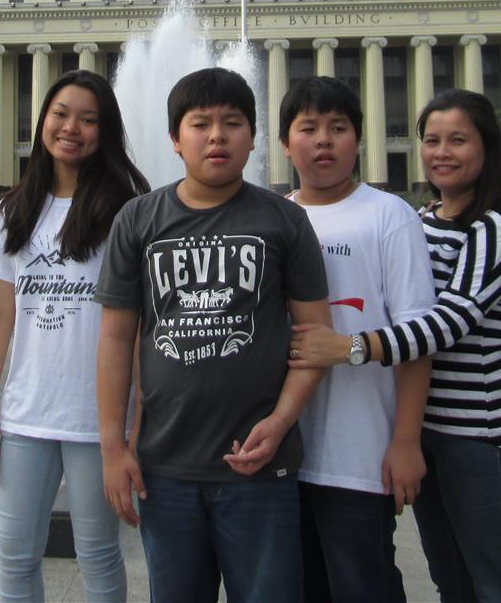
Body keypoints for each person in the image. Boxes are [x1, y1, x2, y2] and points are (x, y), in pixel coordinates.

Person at [95, 67, 332, 603]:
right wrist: (113, 447)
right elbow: (114, 339)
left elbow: (316, 334)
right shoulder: (138, 220)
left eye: (232, 123)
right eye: (200, 124)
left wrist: (280, 421)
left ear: (253, 138)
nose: (217, 136)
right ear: (176, 140)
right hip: (165, 468)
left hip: (261, 469)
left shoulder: (284, 222)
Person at [290, 88, 501, 603]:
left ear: (487, 149)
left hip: (480, 430)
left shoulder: (496, 225)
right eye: (432, 140)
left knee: (496, 580)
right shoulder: (424, 220)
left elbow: (447, 322)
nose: (442, 152)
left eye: (458, 141)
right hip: (428, 426)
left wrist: (348, 347)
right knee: (451, 575)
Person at [0, 70, 149, 601]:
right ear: (43, 121)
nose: (72, 128)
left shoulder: (127, 211)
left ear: (106, 131)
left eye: (89, 119)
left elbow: (141, 327)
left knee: (97, 556)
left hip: (100, 424)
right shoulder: (11, 213)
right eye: (61, 114)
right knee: (16, 555)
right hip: (27, 417)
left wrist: (135, 427)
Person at [278, 77, 435, 603]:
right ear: (284, 144)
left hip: (358, 454)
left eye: (338, 128)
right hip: (281, 455)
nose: (323, 140)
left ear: (359, 141)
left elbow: (418, 337)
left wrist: (406, 441)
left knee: (363, 586)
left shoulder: (389, 215)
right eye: (308, 128)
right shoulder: (270, 218)